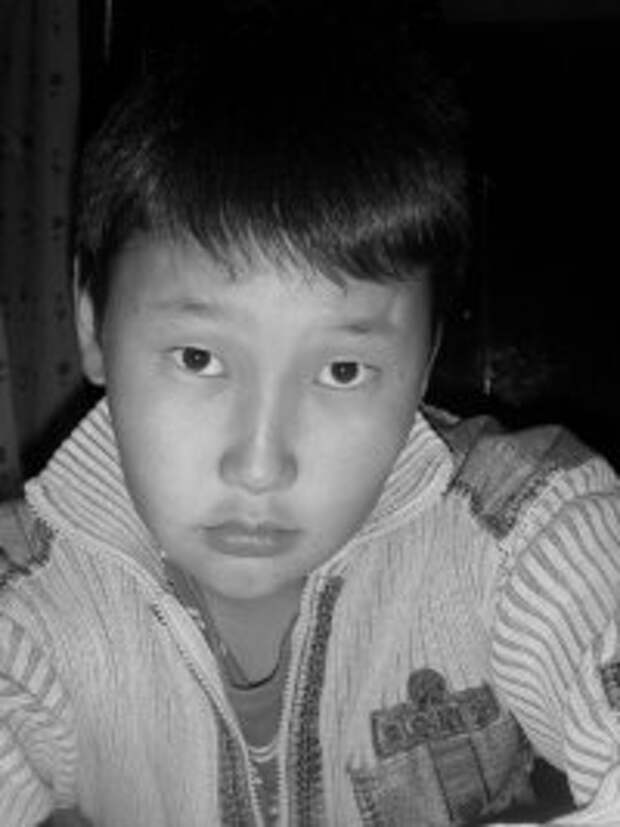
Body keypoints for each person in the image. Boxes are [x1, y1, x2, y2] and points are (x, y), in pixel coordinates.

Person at [1, 19, 619, 827]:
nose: (260, 464)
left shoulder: (522, 527)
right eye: (198, 357)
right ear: (92, 322)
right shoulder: (26, 603)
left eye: (342, 370)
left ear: (426, 358)